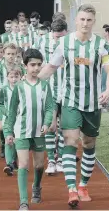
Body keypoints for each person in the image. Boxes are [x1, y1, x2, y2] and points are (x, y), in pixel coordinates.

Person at [38, 4, 109, 207]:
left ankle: (83, 185)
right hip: (70, 101)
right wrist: (33, 82)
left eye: (89, 20)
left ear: (94, 21)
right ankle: (72, 189)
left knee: (89, 144)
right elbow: (51, 68)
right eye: (82, 19)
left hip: (92, 104)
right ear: (76, 21)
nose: (85, 23)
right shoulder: (64, 43)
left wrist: (108, 90)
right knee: (70, 140)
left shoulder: (101, 45)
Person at [4, 49, 54, 210]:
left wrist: (47, 123)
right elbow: (11, 112)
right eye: (32, 65)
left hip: (39, 132)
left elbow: (49, 107)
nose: (36, 68)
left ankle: (37, 186)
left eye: (39, 64)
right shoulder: (18, 87)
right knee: (24, 164)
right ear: (25, 66)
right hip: (22, 132)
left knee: (39, 166)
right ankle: (23, 201)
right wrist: (8, 132)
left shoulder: (45, 86)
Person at [38, 19, 68, 175]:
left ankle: (61, 159)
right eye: (56, 37)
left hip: (68, 92)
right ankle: (51, 159)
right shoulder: (43, 42)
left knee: (64, 127)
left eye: (61, 37)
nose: (58, 40)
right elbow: (37, 63)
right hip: (49, 90)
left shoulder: (71, 43)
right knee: (50, 126)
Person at [0, 43, 19, 158]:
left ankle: (15, 147)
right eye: (8, 54)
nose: (11, 56)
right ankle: (3, 143)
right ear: (3, 54)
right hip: (3, 98)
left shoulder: (19, 67)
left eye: (13, 54)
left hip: (17, 98)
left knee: (16, 123)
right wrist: (1, 91)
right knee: (2, 126)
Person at [0, 68, 22, 176]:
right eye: (11, 77)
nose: (14, 79)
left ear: (20, 77)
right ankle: (9, 164)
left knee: (17, 141)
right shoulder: (4, 90)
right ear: (7, 78)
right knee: (9, 140)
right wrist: (6, 112)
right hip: (8, 120)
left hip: (20, 120)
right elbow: (0, 104)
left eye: (16, 77)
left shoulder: (23, 89)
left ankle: (14, 161)